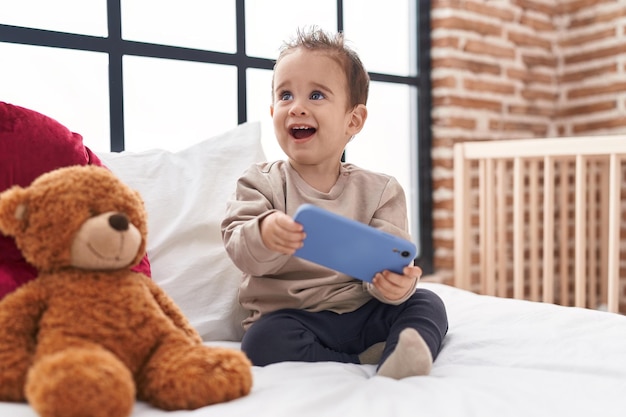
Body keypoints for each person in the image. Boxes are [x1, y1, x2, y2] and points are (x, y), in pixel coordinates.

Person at [221, 27, 448, 379]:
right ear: (272, 110)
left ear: (352, 120)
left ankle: (398, 355)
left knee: (427, 303)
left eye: (315, 95)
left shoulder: (381, 190)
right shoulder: (259, 183)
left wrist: (394, 286)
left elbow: (389, 263)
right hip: (295, 318)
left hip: (363, 310)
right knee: (261, 341)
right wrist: (263, 233)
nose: (296, 107)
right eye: (285, 96)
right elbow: (241, 250)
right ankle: (363, 362)